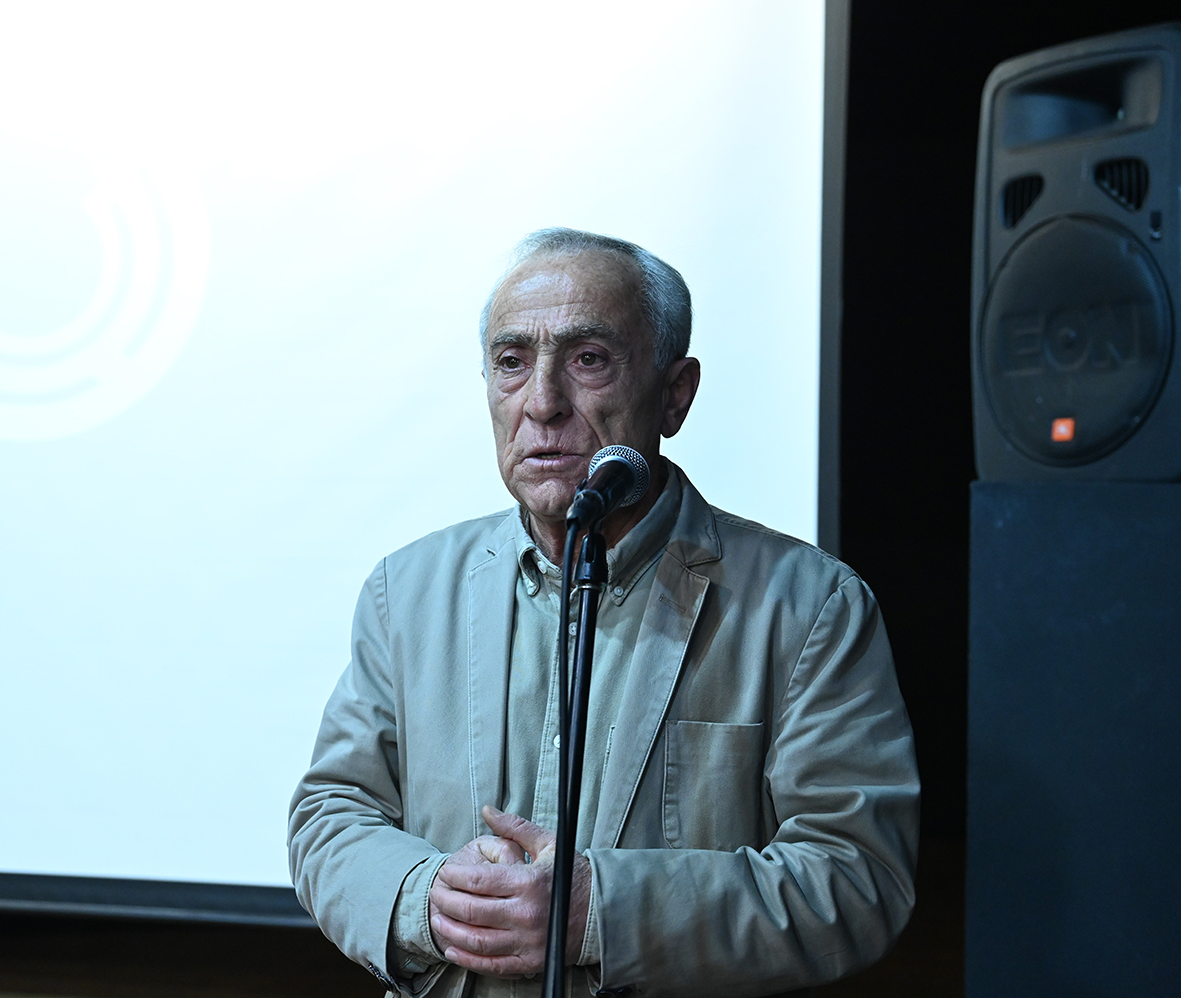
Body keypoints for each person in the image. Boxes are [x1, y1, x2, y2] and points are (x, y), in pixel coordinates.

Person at [288, 228, 919, 998]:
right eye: (512, 362)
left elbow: (858, 878)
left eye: (588, 360)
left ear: (675, 394)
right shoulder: (408, 589)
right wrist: (426, 898)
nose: (542, 403)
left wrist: (600, 911)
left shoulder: (810, 607)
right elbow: (330, 814)